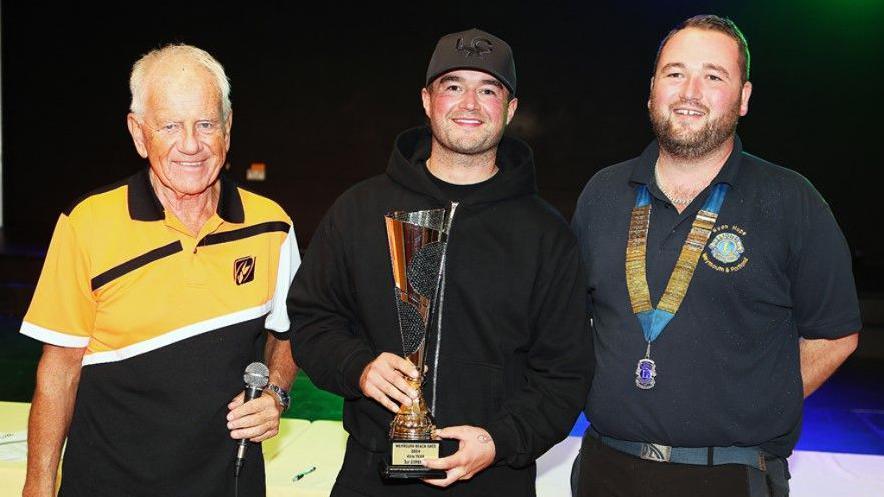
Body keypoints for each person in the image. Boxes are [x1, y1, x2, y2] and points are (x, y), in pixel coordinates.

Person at [289, 28, 589, 496]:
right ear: (427, 100)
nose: (470, 103)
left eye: (487, 90)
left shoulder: (546, 235)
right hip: (373, 475)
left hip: (495, 480)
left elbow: (565, 374)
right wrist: (359, 367)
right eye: (453, 86)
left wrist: (499, 441)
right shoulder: (359, 209)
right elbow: (312, 318)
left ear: (510, 110)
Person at [571, 15, 861, 497]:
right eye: (675, 73)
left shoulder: (790, 199)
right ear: (651, 90)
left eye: (713, 76)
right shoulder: (602, 193)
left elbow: (835, 335)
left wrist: (759, 404)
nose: (690, 91)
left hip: (729, 475)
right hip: (605, 467)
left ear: (743, 97)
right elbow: (573, 320)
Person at [19, 44, 299, 497]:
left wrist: (276, 395)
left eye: (206, 124)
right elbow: (59, 370)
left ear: (228, 129)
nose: (191, 145)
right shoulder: (86, 225)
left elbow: (288, 333)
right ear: (138, 132)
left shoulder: (273, 226)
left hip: (229, 484)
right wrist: (37, 486)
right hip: (107, 483)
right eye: (170, 126)